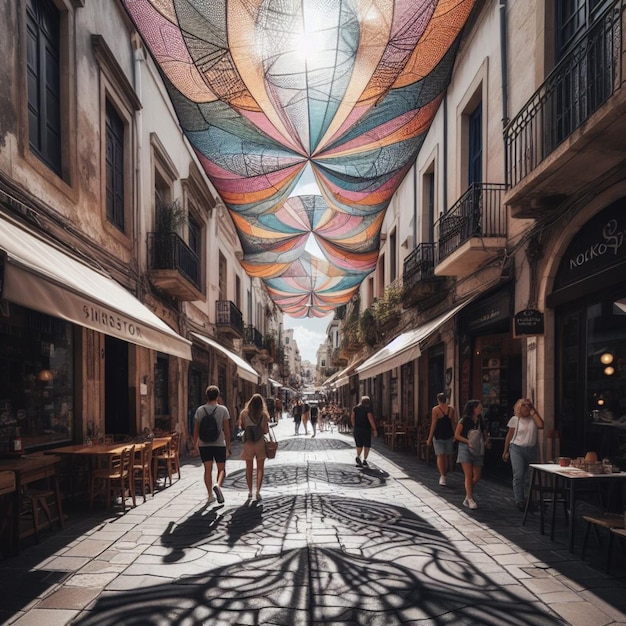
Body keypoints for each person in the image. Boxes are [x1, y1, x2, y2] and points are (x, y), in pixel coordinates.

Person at [502, 398, 544, 511]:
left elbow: (541, 425)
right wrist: (505, 451)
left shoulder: (533, 418)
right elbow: (509, 436)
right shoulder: (515, 419)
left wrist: (534, 412)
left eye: (529, 405)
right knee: (519, 474)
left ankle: (528, 498)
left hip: (531, 448)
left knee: (529, 476)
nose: (527, 407)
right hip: (517, 448)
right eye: (525, 405)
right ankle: (519, 500)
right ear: (520, 407)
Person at [193, 385, 231, 505]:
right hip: (219, 444)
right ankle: (218, 485)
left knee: (207, 470)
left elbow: (196, 430)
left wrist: (195, 444)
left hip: (204, 444)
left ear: (206, 396)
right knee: (221, 470)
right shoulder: (223, 410)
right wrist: (228, 446)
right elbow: (226, 430)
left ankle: (210, 495)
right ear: (218, 396)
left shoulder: (200, 410)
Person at [454, 399, 490, 510]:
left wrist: (486, 441)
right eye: (479, 407)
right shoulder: (464, 420)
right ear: (473, 408)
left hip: (477, 448)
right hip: (465, 448)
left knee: (477, 476)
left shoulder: (480, 420)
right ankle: (470, 498)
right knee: (468, 475)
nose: (480, 409)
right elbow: (457, 435)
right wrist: (467, 441)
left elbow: (484, 433)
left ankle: (467, 494)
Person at [239, 393, 270, 501]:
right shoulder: (264, 415)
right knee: (260, 468)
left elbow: (242, 426)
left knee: (249, 468)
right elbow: (265, 430)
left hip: (248, 443)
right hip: (260, 442)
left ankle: (250, 491)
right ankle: (258, 491)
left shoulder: (244, 413)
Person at [427, 392, 457, 486]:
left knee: (440, 456)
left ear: (438, 400)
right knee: (448, 455)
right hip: (449, 434)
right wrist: (456, 434)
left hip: (438, 434)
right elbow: (453, 423)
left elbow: (434, 424)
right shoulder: (451, 409)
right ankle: (445, 473)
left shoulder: (435, 409)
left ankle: (442, 476)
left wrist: (429, 438)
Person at [351, 396, 378, 467]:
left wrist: (354, 426)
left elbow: (352, 417)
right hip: (366, 429)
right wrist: (375, 429)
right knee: (366, 444)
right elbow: (370, 419)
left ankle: (358, 456)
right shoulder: (368, 409)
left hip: (357, 429)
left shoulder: (355, 408)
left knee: (359, 444)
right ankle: (365, 460)